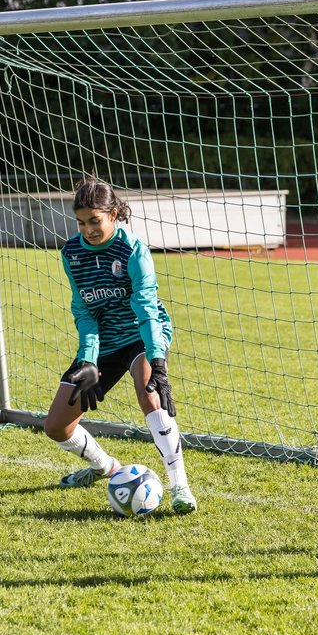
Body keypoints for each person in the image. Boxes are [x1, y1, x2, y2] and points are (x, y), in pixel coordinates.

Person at [42, 176, 197, 513]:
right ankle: (105, 467)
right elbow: (84, 310)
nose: (88, 230)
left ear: (113, 214)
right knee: (56, 426)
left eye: (95, 221)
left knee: (149, 394)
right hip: (105, 340)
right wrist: (87, 360)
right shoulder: (71, 253)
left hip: (142, 335)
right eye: (81, 222)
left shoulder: (132, 250)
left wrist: (158, 362)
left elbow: (146, 307)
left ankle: (179, 486)